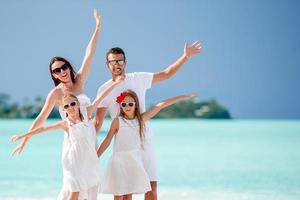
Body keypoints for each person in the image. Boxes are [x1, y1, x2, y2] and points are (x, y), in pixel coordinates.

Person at [94, 41, 201, 200]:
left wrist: (185, 57)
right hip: (124, 144)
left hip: (144, 137)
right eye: (113, 61)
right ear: (107, 64)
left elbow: (167, 73)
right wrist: (88, 152)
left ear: (125, 62)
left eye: (120, 61)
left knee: (151, 188)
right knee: (124, 192)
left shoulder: (138, 78)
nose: (117, 64)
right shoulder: (104, 89)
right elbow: (98, 122)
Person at [11, 78, 124, 200]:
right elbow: (43, 129)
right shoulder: (65, 124)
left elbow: (101, 96)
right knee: (74, 191)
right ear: (64, 109)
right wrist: (23, 136)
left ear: (78, 104)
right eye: (67, 106)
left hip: (89, 160)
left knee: (89, 192)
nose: (70, 107)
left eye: (73, 104)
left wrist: (116, 83)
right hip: (73, 162)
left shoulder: (87, 114)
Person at [12, 9, 101, 155]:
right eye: (57, 71)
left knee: (92, 175)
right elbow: (41, 119)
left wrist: (97, 28)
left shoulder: (79, 79)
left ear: (69, 67)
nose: (62, 71)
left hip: (89, 135)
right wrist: (24, 141)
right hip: (73, 139)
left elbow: (89, 54)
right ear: (54, 76)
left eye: (64, 67)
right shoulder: (56, 93)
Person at [97, 90, 196, 200]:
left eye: (130, 103)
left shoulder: (140, 120)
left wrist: (182, 96)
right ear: (120, 106)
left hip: (134, 161)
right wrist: (96, 156)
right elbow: (107, 141)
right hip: (118, 161)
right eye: (124, 104)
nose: (127, 106)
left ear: (136, 105)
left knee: (128, 194)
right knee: (118, 194)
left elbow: (160, 105)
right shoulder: (117, 121)